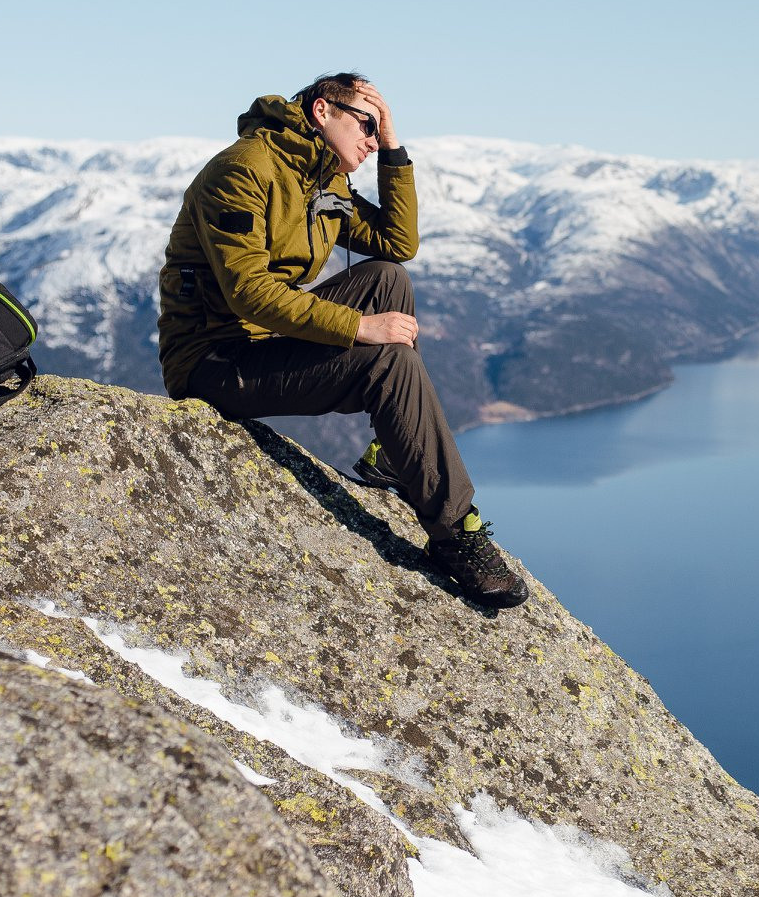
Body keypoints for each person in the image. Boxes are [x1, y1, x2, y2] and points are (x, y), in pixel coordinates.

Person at [157, 73, 528, 608]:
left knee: (387, 279)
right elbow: (248, 293)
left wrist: (394, 150)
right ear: (321, 111)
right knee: (390, 365)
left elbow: (397, 245)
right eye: (367, 125)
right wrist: (359, 328)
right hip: (214, 362)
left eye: (381, 130)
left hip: (264, 342)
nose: (373, 138)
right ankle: (456, 536)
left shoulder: (322, 179)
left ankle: (395, 458)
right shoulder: (243, 171)